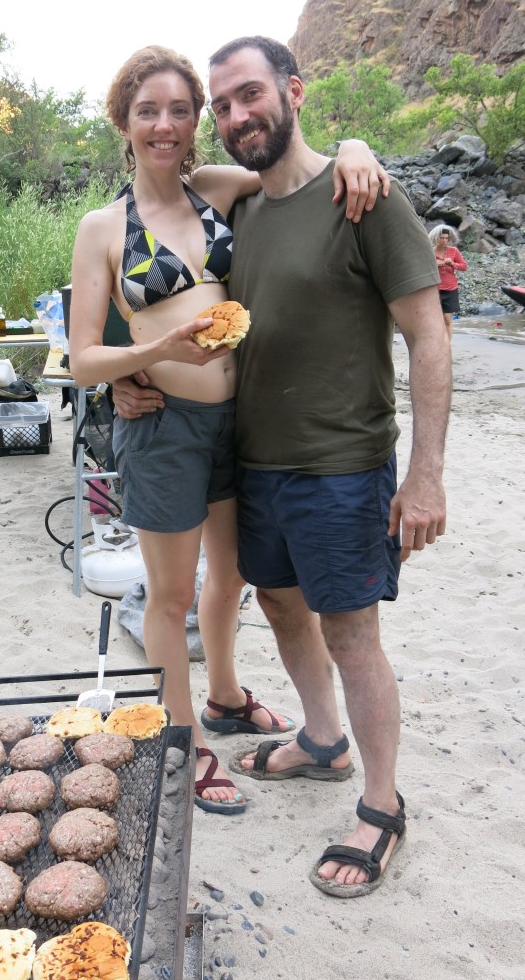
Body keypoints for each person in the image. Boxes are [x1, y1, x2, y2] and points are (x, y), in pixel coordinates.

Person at [115, 35, 451, 894]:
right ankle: (323, 740)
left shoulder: (364, 196)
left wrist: (425, 475)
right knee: (281, 606)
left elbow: (427, 335)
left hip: (343, 464)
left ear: (294, 91)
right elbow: (147, 282)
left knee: (351, 632)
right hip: (255, 463)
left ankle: (381, 807)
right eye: (220, 105)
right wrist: (128, 376)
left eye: (248, 95)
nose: (234, 116)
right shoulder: (242, 210)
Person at [69, 45, 390, 816]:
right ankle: (188, 746)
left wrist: (355, 147)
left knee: (233, 575)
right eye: (149, 111)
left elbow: (295, 175)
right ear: (124, 120)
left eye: (182, 110)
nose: (166, 125)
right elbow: (83, 355)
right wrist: (147, 357)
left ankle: (223, 694)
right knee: (172, 593)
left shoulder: (215, 189)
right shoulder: (104, 226)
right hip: (166, 428)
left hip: (239, 422)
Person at [429, 224, 468, 338]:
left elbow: (464, 267)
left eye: (446, 238)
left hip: (451, 289)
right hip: (435, 289)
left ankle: (448, 345)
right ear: (436, 238)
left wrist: (453, 264)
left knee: (447, 318)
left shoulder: (454, 251)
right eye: (442, 238)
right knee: (436, 319)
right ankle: (437, 343)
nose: (444, 240)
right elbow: (422, 268)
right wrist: (434, 265)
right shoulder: (430, 252)